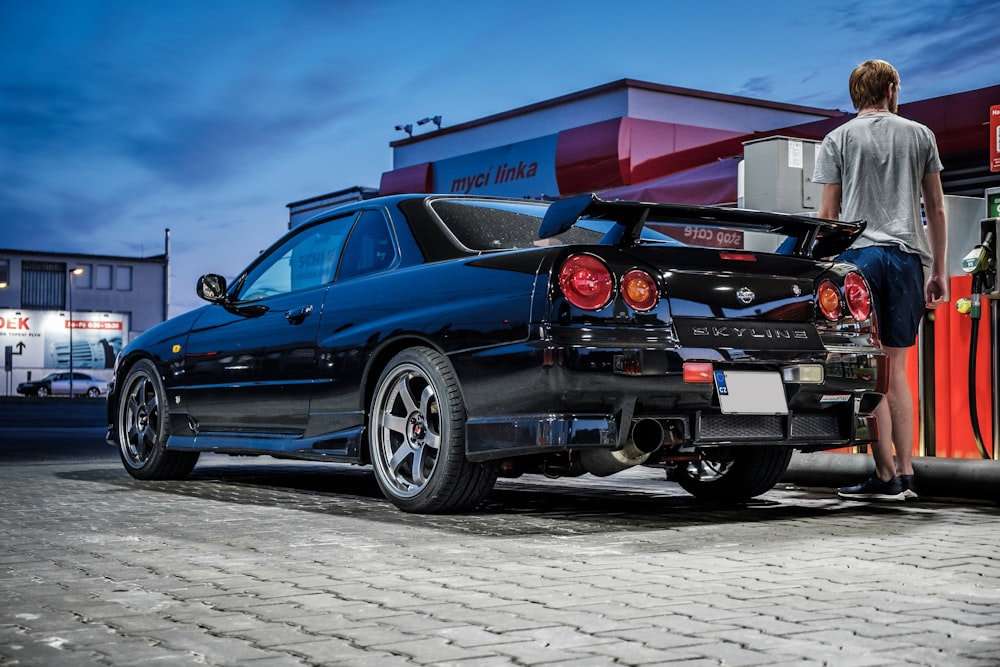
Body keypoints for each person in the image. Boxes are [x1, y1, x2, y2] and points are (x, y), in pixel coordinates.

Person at [813, 59, 948, 501]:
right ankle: (908, 473)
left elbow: (829, 215)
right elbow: (937, 209)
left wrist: (825, 273)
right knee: (899, 371)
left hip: (860, 259)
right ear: (890, 88)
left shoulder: (837, 139)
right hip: (907, 259)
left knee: (870, 372)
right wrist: (939, 270)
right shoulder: (920, 134)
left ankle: (886, 475)